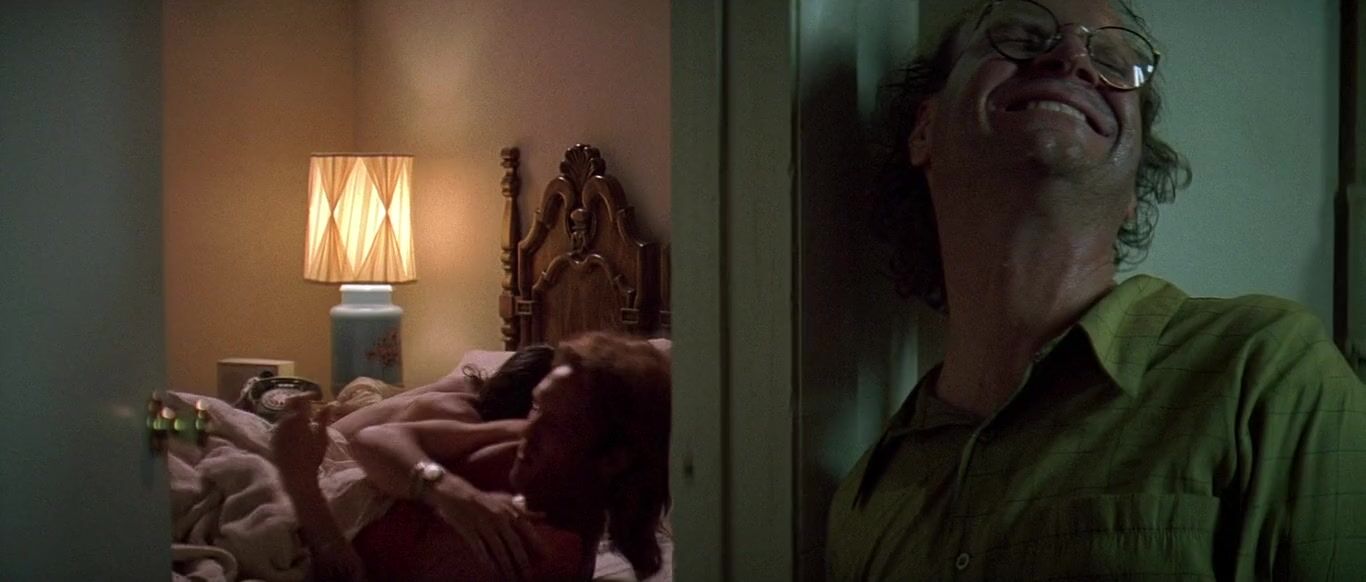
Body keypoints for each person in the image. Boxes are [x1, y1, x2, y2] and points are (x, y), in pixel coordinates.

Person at [828, 0, 1366, 580]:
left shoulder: (1265, 373)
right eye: (1020, 38)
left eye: (1111, 60)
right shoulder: (867, 497)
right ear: (925, 129)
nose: (1072, 56)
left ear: (1135, 183)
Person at [272, 331, 671, 582]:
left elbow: (339, 570)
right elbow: (374, 438)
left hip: (295, 530)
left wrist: (300, 483)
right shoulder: (526, 442)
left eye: (558, 424)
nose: (531, 430)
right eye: (537, 407)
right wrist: (446, 490)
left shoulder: (540, 550)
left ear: (612, 460)